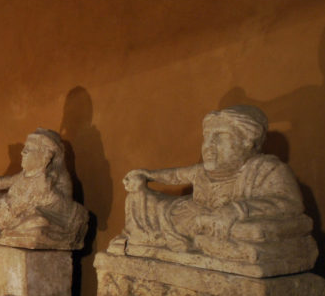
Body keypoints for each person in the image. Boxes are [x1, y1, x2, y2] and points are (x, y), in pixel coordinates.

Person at [115, 105, 314, 273]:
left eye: (219, 137)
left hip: (229, 222)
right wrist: (147, 175)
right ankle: (183, 239)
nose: (209, 145)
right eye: (206, 137)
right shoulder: (202, 171)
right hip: (194, 215)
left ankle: (207, 242)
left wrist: (236, 210)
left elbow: (290, 204)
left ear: (247, 141)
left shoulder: (266, 169)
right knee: (139, 199)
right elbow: (175, 175)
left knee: (252, 231)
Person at [0, 129, 87, 249]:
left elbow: (66, 209)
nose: (23, 152)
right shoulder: (24, 175)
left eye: (29, 149)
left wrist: (49, 193)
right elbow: (3, 182)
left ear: (46, 156)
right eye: (24, 148)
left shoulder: (56, 179)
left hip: (20, 216)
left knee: (37, 224)